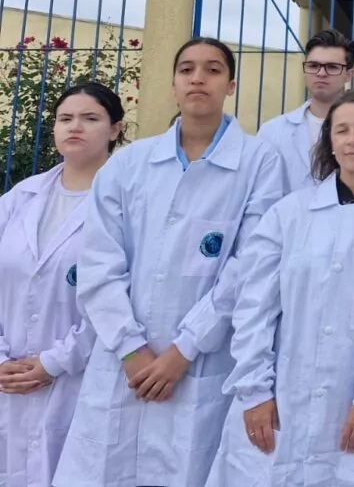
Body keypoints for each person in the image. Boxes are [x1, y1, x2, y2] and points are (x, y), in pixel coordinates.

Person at [53, 37, 286, 487]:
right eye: (187, 69)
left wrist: (185, 350)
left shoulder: (260, 162)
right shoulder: (128, 166)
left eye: (213, 70)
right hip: (123, 365)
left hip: (200, 364)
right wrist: (130, 348)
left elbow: (251, 267)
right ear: (174, 84)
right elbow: (99, 264)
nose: (199, 78)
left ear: (231, 85)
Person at [207, 90, 354, 487]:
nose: (353, 139)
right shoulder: (289, 214)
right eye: (341, 130)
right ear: (329, 142)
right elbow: (254, 307)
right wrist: (253, 390)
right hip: (281, 407)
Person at [0, 82, 126, 487]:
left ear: (115, 129)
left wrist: (55, 362)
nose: (75, 127)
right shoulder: (21, 197)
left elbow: (125, 299)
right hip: (8, 378)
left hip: (79, 380)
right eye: (65, 118)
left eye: (91, 118)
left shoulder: (125, 203)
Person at [256, 29, 354, 192]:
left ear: (348, 75)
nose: (321, 73)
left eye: (332, 67)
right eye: (313, 65)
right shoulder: (272, 132)